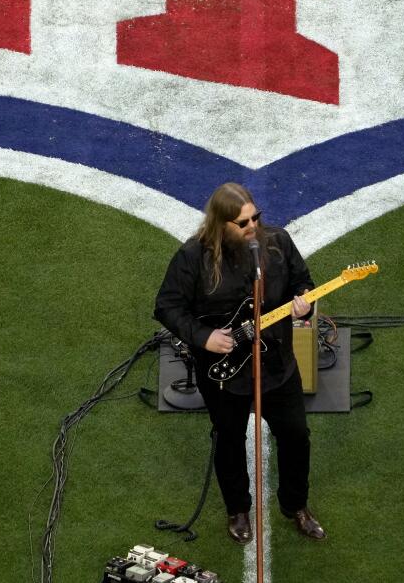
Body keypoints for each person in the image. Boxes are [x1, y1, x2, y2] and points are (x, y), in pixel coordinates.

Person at [153, 182, 326, 543]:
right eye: (243, 223)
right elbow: (167, 306)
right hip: (224, 374)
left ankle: (296, 505)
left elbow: (302, 282)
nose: (253, 228)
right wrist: (203, 337)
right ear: (221, 224)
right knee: (228, 441)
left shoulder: (277, 244)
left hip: (277, 363)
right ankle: (238, 509)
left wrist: (304, 302)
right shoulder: (192, 257)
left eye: (255, 218)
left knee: (296, 435)